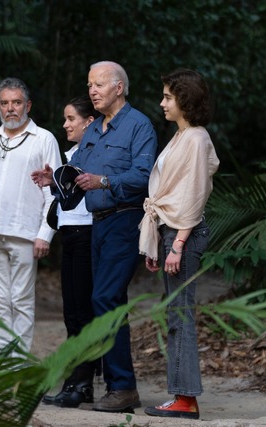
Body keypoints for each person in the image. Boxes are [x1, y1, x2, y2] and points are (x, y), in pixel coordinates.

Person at [32, 61, 157, 413]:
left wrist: (104, 181)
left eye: (99, 84)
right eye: (89, 84)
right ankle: (117, 386)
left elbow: (145, 176)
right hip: (97, 223)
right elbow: (76, 173)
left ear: (119, 87)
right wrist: (52, 179)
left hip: (125, 219)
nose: (92, 91)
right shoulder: (93, 131)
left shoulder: (138, 125)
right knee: (106, 302)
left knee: (104, 298)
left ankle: (122, 386)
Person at [139, 69, 219, 420]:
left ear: (185, 99)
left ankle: (185, 399)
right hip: (172, 233)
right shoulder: (182, 136)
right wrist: (160, 243)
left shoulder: (196, 138)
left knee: (180, 314)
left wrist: (178, 244)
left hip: (184, 234)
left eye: (168, 96)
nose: (162, 103)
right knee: (174, 313)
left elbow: (194, 194)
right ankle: (182, 395)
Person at [0, 77, 61, 353]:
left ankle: (18, 362)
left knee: (20, 299)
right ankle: (2, 361)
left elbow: (54, 193)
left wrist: (45, 234)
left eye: (16, 102)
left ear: (27, 105)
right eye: (5, 103)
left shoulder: (43, 139)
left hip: (26, 234)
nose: (11, 109)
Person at [41, 95, 102, 408]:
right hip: (71, 235)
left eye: (71, 119)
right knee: (73, 313)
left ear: (89, 122)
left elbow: (84, 197)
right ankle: (79, 382)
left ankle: (79, 384)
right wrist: (53, 182)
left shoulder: (93, 153)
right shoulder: (75, 153)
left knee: (81, 313)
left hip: (85, 234)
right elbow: (69, 197)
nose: (65, 125)